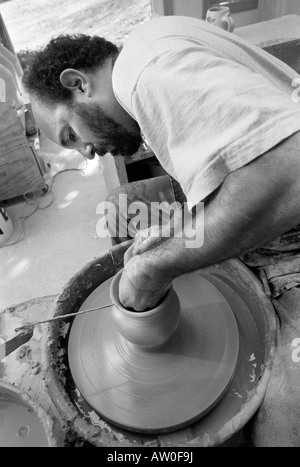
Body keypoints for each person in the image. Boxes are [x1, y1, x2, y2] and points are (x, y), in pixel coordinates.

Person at [23, 16, 300, 445]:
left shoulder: (148, 76)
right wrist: (180, 229)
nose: (89, 153)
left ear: (78, 83)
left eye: (72, 135)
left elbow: (289, 172)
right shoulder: (148, 48)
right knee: (121, 210)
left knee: (277, 432)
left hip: (290, 240)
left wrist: (154, 270)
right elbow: (232, 161)